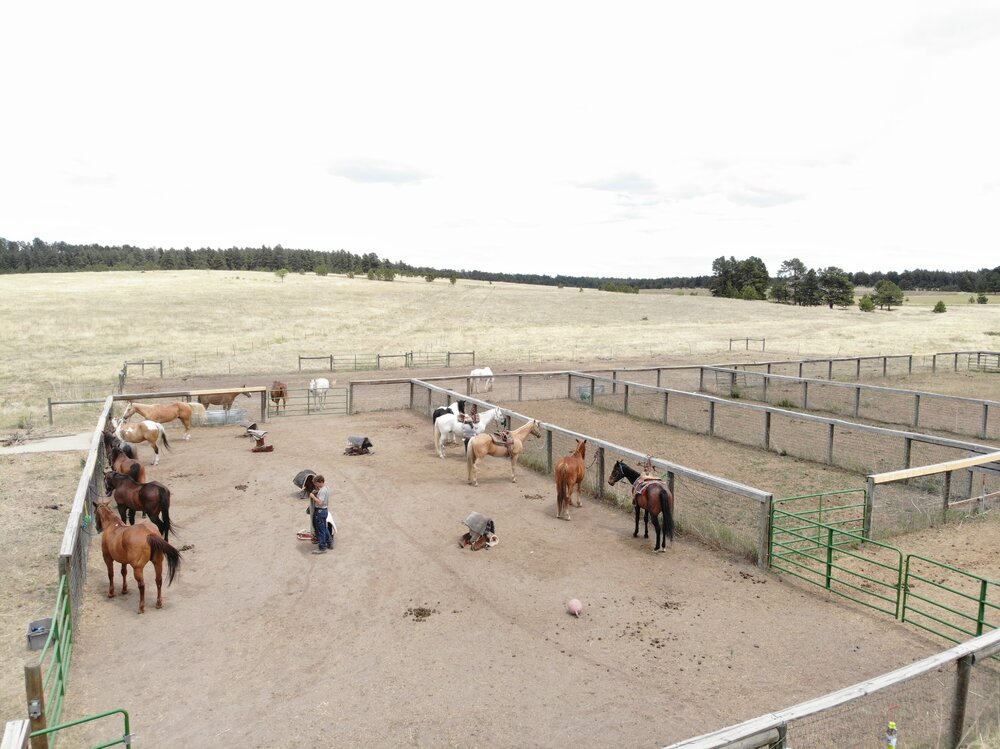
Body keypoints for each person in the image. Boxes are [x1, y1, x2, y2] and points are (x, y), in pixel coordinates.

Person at [308, 474, 333, 554]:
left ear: (320, 482)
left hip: (320, 511)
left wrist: (313, 496)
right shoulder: (326, 488)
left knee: (320, 530)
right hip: (325, 511)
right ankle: (329, 543)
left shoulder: (322, 491)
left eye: (316, 483)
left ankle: (322, 548)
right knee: (324, 528)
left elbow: (320, 502)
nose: (315, 485)